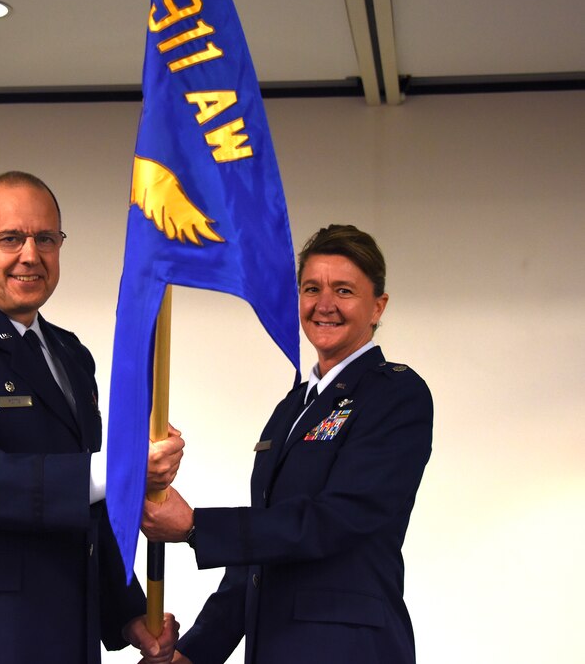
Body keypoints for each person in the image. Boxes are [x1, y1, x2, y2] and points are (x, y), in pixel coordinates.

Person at [0, 171, 183, 664]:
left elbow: (87, 504)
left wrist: (127, 613)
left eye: (46, 238)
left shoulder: (70, 354)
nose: (31, 254)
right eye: (11, 238)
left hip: (65, 632)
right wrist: (120, 469)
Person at [142, 224, 433, 664]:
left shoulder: (396, 395)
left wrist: (196, 526)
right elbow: (259, 556)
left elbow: (335, 521)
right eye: (311, 288)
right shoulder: (293, 407)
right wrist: (193, 653)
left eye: (345, 291)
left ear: (378, 306)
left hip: (350, 650)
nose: (325, 305)